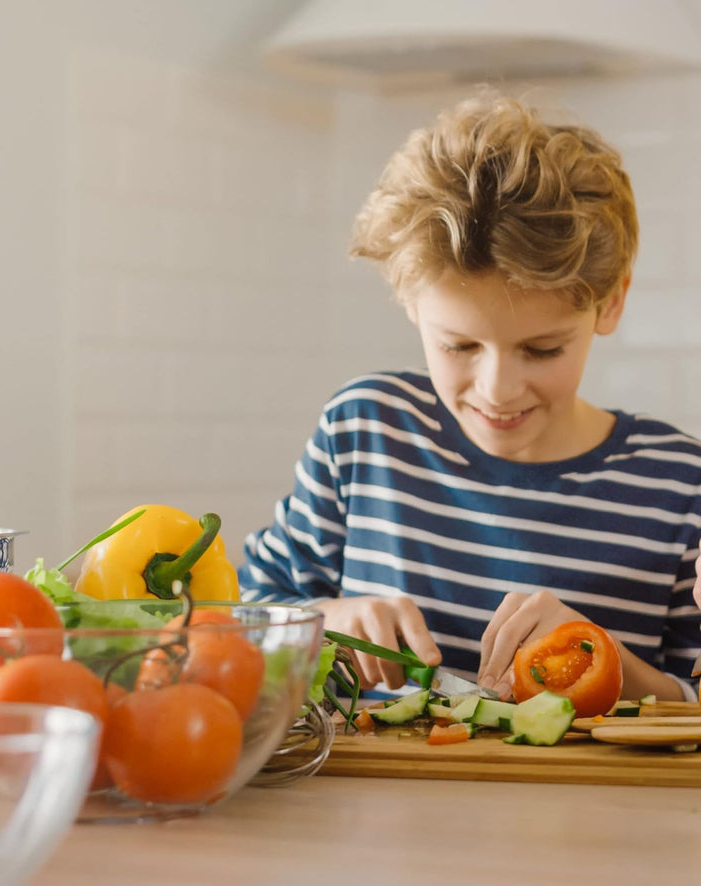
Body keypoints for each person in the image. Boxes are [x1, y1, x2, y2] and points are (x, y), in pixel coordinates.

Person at [238, 91, 701, 703]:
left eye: (541, 350)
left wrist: (605, 661)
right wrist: (320, 623)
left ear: (610, 301)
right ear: (411, 303)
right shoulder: (365, 431)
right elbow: (240, 616)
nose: (497, 390)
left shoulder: (679, 485)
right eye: (458, 346)